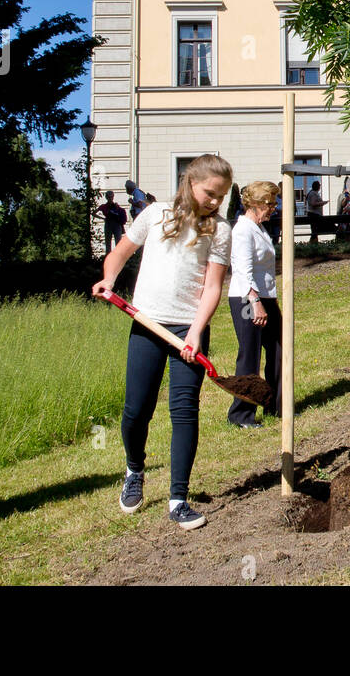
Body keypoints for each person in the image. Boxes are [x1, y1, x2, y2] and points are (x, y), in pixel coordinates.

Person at [93, 155, 233, 530]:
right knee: (137, 410)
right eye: (210, 193)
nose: (215, 202)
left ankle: (178, 499)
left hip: (188, 331)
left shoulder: (220, 230)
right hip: (147, 323)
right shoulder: (154, 214)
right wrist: (109, 280)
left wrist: (196, 331)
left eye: (221, 196)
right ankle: (135, 470)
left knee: (184, 410)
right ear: (190, 183)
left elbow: (213, 286)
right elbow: (120, 254)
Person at [227, 181, 283, 428]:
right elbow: (242, 269)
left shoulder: (259, 229)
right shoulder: (242, 230)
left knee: (279, 351)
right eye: (270, 203)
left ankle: (276, 405)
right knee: (250, 355)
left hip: (266, 298)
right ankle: (241, 415)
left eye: (274, 202)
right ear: (256, 204)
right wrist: (256, 302)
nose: (274, 207)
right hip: (246, 299)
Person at [94, 191, 128, 257]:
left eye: (111, 197)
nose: (110, 198)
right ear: (106, 197)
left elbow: (121, 215)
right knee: (108, 242)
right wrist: (103, 218)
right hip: (108, 224)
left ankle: (118, 256)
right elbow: (94, 213)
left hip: (117, 224)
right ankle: (108, 257)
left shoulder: (116, 206)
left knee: (118, 241)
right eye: (109, 197)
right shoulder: (104, 206)